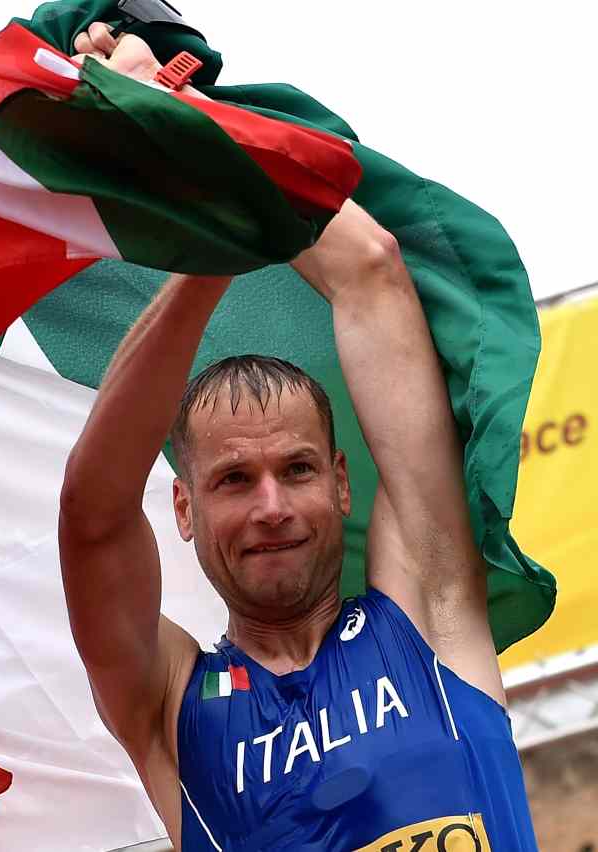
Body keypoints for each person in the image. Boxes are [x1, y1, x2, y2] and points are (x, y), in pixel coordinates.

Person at [58, 23, 539, 850]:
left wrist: (178, 114)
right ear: (183, 507)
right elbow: (92, 515)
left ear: (342, 483)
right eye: (233, 479)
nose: (272, 505)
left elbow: (371, 269)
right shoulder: (168, 705)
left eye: (299, 468)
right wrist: (209, 262)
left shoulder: (428, 612)